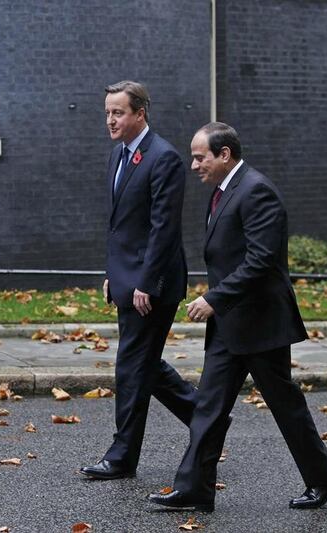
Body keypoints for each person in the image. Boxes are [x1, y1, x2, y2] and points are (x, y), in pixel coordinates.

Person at [148, 122, 327, 511]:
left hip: (261, 325)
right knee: (208, 406)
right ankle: (194, 489)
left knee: (285, 405)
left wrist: (215, 299)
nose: (193, 165)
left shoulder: (256, 191)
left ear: (225, 155)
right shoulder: (224, 191)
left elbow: (262, 261)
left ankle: (324, 478)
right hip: (229, 325)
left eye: (200, 157)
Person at [80, 80, 197, 480]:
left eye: (118, 112)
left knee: (131, 366)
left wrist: (145, 282)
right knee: (143, 364)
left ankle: (121, 457)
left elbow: (163, 229)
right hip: (128, 279)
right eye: (108, 112)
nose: (111, 120)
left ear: (140, 113)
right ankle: (207, 418)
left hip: (154, 285)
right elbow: (121, 227)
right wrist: (113, 275)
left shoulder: (164, 158)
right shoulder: (118, 154)